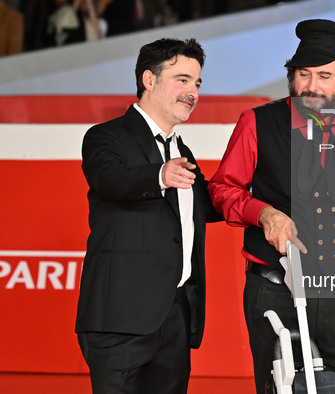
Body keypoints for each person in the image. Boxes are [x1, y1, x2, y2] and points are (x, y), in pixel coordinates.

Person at [208, 19, 335, 394]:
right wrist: (263, 212)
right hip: (275, 290)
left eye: (325, 75)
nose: (312, 86)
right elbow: (221, 188)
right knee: (279, 389)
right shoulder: (257, 123)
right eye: (303, 74)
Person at [75, 38, 222, 393]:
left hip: (174, 317)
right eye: (183, 80)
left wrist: (262, 195)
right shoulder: (106, 135)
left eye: (198, 83)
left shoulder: (181, 149)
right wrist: (159, 176)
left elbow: (209, 204)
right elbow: (108, 180)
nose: (193, 92)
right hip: (120, 318)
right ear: (149, 80)